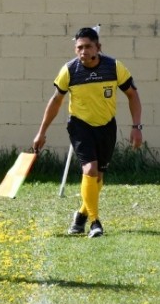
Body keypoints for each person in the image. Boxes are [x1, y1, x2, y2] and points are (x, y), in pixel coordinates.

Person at [32, 27, 143, 238]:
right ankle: (95, 222)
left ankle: (81, 215)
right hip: (79, 125)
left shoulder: (114, 67)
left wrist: (137, 127)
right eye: (79, 47)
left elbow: (133, 95)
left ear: (98, 47)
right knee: (90, 170)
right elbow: (56, 101)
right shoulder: (69, 71)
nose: (83, 51)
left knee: (98, 178)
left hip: (106, 126)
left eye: (88, 47)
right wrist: (41, 132)